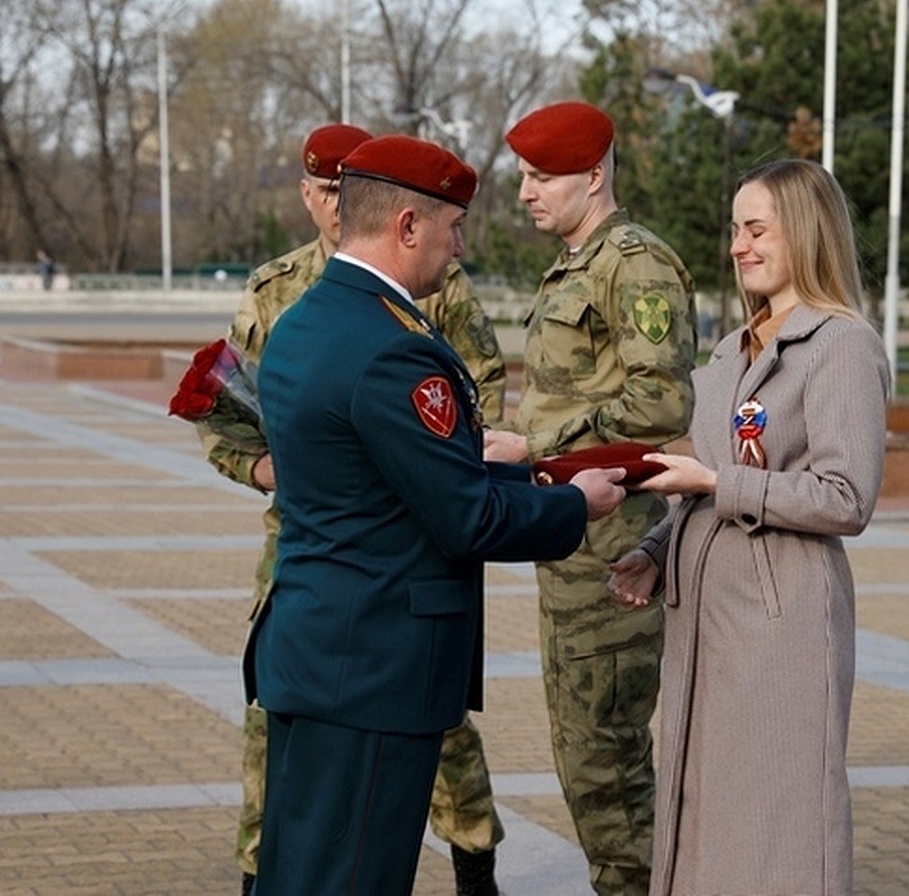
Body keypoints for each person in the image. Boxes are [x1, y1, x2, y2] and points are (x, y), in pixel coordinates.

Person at [245, 133, 627, 895]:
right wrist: (572, 504)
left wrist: (470, 456)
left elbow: (365, 473)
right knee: (354, 879)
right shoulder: (392, 348)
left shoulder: (305, 321)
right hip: (373, 668)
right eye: (453, 228)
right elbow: (467, 521)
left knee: (298, 872)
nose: (459, 248)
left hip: (314, 651)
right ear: (407, 226)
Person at [195, 123, 508, 896]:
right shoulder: (275, 290)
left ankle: (475, 865)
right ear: (310, 195)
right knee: (307, 779)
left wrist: (471, 458)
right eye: (326, 190)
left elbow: (470, 401)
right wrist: (268, 468)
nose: (337, 205)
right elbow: (220, 406)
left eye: (348, 189)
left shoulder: (432, 290)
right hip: (324, 558)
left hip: (400, 547)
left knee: (432, 746)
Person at [608, 158, 890, 895]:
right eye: (735, 229)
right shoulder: (732, 350)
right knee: (704, 818)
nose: (738, 245)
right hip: (705, 625)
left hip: (781, 629)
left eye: (757, 228)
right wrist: (655, 551)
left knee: (778, 828)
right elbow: (702, 478)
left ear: (803, 231)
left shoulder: (840, 346)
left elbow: (845, 497)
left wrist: (715, 481)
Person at [484, 100, 697, 894]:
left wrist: (539, 448)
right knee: (583, 753)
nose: (525, 193)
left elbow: (661, 405)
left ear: (594, 176)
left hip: (613, 548)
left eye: (542, 177)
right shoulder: (579, 261)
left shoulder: (632, 263)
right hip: (572, 540)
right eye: (525, 177)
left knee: (605, 760)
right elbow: (574, 397)